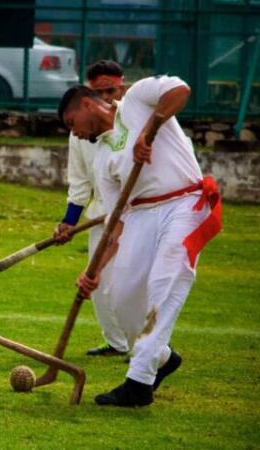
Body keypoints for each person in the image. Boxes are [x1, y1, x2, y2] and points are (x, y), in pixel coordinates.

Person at [58, 77, 221, 407]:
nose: (73, 133)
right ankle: (162, 358)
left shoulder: (138, 99)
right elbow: (116, 223)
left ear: (88, 105)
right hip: (140, 215)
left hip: (184, 203)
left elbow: (181, 91)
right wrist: (95, 271)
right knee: (123, 297)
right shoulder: (103, 157)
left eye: (71, 124)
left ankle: (138, 384)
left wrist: (150, 128)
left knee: (164, 283)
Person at [54, 60, 129, 358]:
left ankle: (147, 346)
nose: (108, 98)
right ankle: (116, 343)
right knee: (96, 281)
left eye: (112, 90)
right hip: (102, 215)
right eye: (101, 92)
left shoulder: (133, 119)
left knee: (131, 283)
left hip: (139, 216)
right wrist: (68, 222)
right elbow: (80, 181)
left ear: (120, 87)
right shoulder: (79, 133)